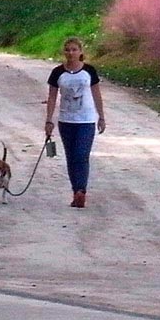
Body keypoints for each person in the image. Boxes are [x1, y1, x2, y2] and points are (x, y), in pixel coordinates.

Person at [44, 37, 106, 208]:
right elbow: (51, 97)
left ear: (80, 51)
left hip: (86, 121)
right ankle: (76, 191)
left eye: (74, 49)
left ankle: (81, 191)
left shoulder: (89, 71)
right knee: (71, 157)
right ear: (64, 52)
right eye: (68, 50)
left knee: (81, 155)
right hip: (66, 121)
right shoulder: (57, 73)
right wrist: (49, 120)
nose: (71, 53)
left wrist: (101, 116)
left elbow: (96, 94)